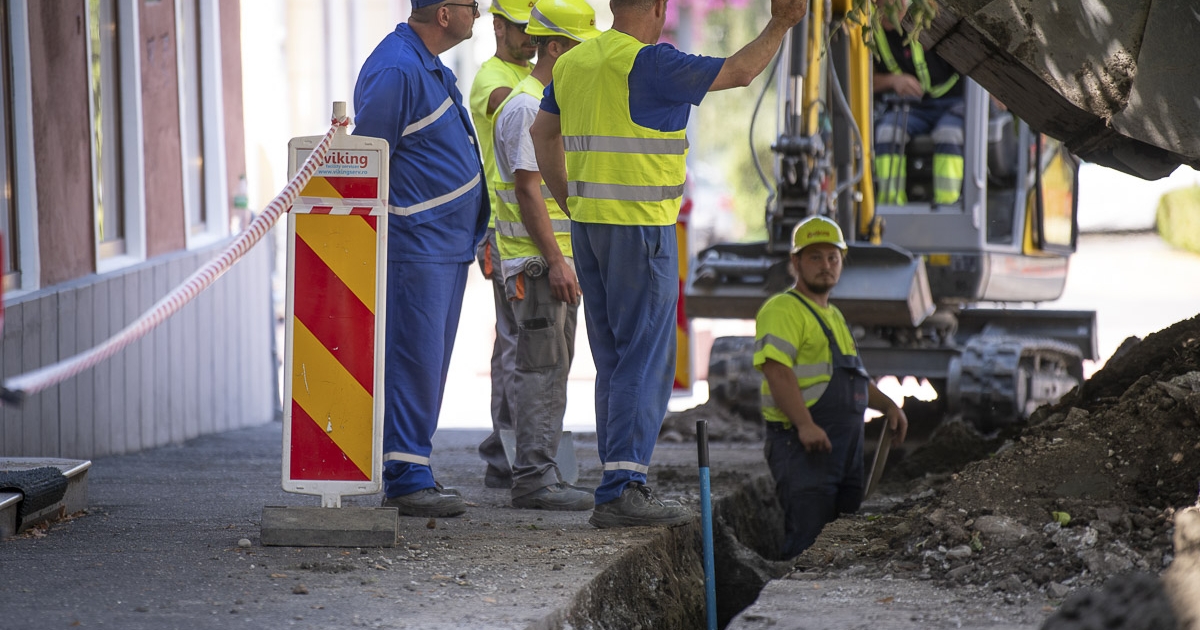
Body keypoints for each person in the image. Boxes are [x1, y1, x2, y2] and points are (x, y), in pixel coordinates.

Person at [530, 0, 809, 528]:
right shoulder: (654, 64)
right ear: (658, 8)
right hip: (640, 231)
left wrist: (572, 203)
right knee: (645, 359)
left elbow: (542, 136)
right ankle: (624, 488)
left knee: (614, 360)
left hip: (590, 229)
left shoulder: (572, 63)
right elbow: (742, 71)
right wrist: (782, 23)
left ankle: (616, 481)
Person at [351, 0, 488, 518]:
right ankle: (407, 477)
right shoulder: (397, 68)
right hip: (416, 245)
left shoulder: (423, 63)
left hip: (443, 245)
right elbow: (368, 159)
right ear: (446, 13)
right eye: (472, 6)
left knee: (427, 364)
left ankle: (416, 467)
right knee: (414, 360)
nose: (479, 13)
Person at [490, 0, 600, 511]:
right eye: (580, 48)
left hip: (548, 265)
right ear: (555, 47)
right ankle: (534, 478)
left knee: (551, 368)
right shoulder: (526, 107)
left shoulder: (544, 103)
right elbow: (529, 192)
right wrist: (557, 261)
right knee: (539, 370)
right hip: (537, 268)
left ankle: (543, 472)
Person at [753, 215, 908, 558]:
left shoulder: (834, 316)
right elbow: (777, 371)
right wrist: (805, 424)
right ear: (795, 262)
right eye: (815, 257)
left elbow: (855, 379)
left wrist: (889, 406)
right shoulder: (783, 309)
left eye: (833, 258)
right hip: (803, 449)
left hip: (844, 451)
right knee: (807, 542)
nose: (826, 266)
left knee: (841, 544)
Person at [468, 0, 538, 491]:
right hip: (502, 228)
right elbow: (514, 112)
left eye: (536, 30)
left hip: (524, 227)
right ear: (497, 26)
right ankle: (509, 454)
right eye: (520, 28)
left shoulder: (535, 76)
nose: (529, 38)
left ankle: (503, 450)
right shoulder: (489, 78)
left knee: (514, 341)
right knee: (515, 342)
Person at [872, 0, 964, 206]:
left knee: (948, 134)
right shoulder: (869, 28)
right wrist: (893, 81)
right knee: (887, 132)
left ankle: (947, 209)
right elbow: (862, 82)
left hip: (955, 102)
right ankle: (890, 209)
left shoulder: (933, 14)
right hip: (914, 107)